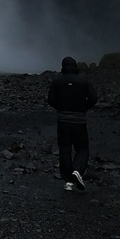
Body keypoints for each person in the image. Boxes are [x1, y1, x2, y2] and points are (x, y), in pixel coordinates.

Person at [47, 55, 98, 191]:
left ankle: (68, 181)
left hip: (63, 120)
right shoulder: (84, 81)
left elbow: (50, 99)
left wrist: (60, 108)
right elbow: (94, 98)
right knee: (82, 148)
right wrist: (83, 108)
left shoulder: (57, 81)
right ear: (75, 67)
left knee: (65, 150)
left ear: (63, 67)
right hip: (79, 120)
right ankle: (77, 170)